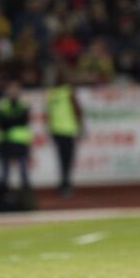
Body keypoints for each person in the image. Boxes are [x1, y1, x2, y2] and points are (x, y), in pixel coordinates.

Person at [45, 67, 83, 197]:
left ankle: (64, 183)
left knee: (63, 159)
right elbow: (77, 109)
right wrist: (80, 125)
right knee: (66, 159)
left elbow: (49, 113)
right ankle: (65, 184)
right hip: (65, 130)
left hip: (59, 130)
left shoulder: (53, 94)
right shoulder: (67, 92)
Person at [0, 80, 32, 190]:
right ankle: (3, 193)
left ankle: (26, 193)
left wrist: (9, 119)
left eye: (15, 89)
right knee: (4, 172)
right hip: (5, 140)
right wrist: (14, 119)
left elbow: (23, 120)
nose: (13, 92)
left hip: (20, 140)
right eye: (11, 89)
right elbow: (1, 123)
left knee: (23, 170)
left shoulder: (23, 104)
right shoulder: (3, 105)